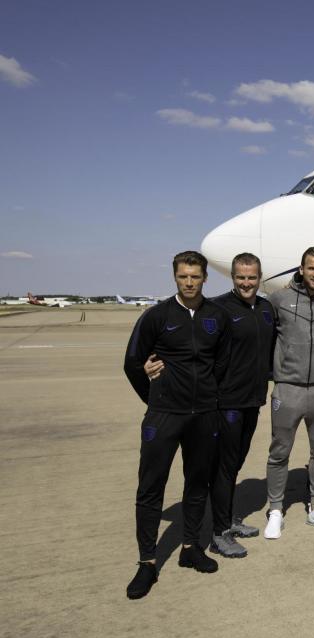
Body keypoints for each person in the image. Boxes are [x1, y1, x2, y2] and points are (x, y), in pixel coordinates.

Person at [123, 251, 231, 599]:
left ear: (204, 278)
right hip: (165, 415)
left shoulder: (217, 316)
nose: (189, 282)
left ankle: (190, 548)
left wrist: (211, 401)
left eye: (195, 277)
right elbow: (132, 364)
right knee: (151, 486)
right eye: (183, 276)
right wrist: (154, 397)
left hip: (204, 416)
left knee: (197, 482)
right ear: (175, 277)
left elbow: (222, 364)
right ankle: (147, 562)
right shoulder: (156, 316)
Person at [263, 247, 314, 539]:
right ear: (301, 269)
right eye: (311, 268)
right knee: (279, 451)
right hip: (288, 388)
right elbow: (263, 334)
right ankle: (275, 510)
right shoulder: (279, 299)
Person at [207, 253, 276, 556]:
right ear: (232, 278)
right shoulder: (219, 308)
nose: (246, 283)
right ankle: (219, 533)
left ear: (260, 278)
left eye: (251, 277)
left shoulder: (265, 309)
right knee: (224, 466)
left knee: (235, 464)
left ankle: (229, 519)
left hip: (253, 400)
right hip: (227, 402)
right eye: (240, 277)